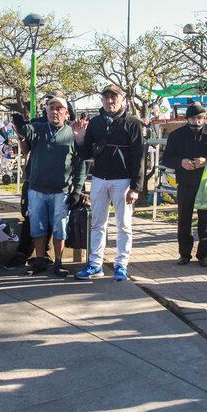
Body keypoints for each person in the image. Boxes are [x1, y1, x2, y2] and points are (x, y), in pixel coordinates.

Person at [71, 84, 145, 282]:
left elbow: (139, 157)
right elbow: (86, 153)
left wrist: (136, 187)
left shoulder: (133, 123)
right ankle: (95, 264)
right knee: (97, 224)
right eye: (106, 97)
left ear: (122, 100)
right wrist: (79, 140)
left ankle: (121, 264)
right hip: (99, 179)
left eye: (114, 97)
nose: (110, 101)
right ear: (102, 100)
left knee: (124, 225)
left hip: (123, 181)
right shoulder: (95, 123)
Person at [16, 94, 86, 277]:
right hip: (36, 189)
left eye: (59, 109)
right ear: (46, 110)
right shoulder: (38, 128)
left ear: (66, 112)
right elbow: (27, 134)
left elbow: (81, 165)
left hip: (61, 191)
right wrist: (21, 130)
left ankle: (58, 263)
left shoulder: (72, 133)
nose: (55, 112)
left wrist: (77, 191)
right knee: (37, 227)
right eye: (51, 108)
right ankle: (39, 261)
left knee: (60, 229)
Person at [161, 102, 207, 267]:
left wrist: (206, 161)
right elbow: (167, 158)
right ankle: (184, 254)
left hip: (205, 183)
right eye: (193, 118)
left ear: (204, 117)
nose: (196, 121)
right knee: (184, 219)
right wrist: (181, 162)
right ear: (187, 119)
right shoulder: (177, 135)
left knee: (206, 220)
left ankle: (204, 255)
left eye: (199, 118)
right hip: (185, 182)